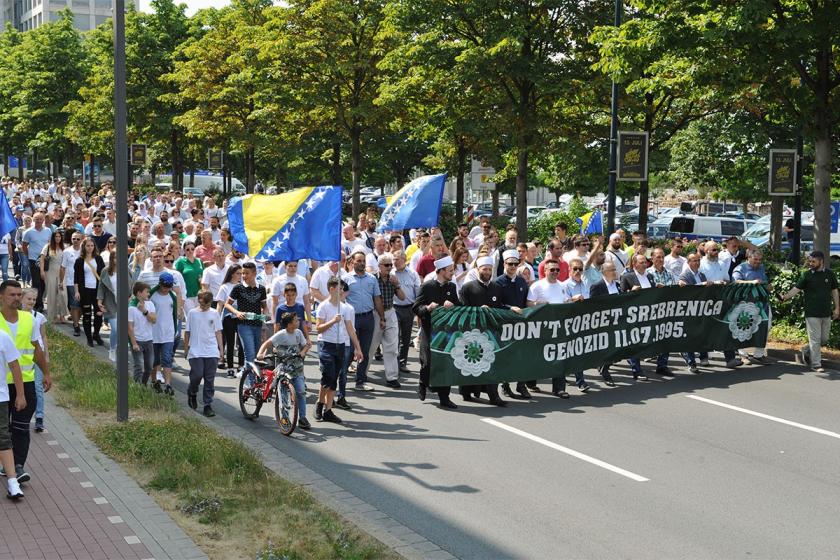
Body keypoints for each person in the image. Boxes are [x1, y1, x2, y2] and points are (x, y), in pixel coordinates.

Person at [0, 280, 51, 486]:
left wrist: (46, 372)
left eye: (19, 295)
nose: (17, 298)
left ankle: (17, 466)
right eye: (12, 295)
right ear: (1, 297)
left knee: (20, 427)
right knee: (4, 429)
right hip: (2, 386)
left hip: (26, 382)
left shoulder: (29, 319)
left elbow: (36, 348)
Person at [458, 256, 511, 406]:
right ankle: (466, 392)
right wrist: (478, 310)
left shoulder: (496, 287)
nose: (487, 272)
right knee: (470, 362)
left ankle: (494, 396)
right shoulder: (468, 287)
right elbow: (462, 309)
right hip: (472, 332)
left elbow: (500, 306)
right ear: (478, 270)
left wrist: (510, 309)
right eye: (484, 269)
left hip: (491, 332)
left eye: (489, 269)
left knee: (491, 362)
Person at [315, 277, 364, 424]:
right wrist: (332, 321)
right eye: (339, 288)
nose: (342, 291)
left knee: (334, 377)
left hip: (340, 345)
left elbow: (350, 328)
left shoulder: (344, 308)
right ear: (331, 289)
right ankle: (320, 403)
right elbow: (318, 328)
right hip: (326, 344)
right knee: (328, 376)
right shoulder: (323, 306)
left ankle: (328, 410)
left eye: (342, 289)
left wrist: (358, 347)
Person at [413, 256, 459, 409]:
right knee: (427, 362)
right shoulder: (427, 286)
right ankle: (423, 383)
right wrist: (427, 308)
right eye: (450, 270)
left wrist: (453, 305)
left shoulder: (452, 287)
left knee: (445, 363)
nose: (453, 273)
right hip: (429, 330)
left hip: (447, 333)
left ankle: (444, 397)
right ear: (441, 271)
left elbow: (460, 307)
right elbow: (416, 308)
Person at [782, 251, 840, 373]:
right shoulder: (806, 275)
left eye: (814, 261)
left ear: (821, 261)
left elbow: (834, 292)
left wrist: (837, 308)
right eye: (810, 261)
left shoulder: (830, 274)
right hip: (811, 313)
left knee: (823, 339)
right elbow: (796, 289)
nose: (811, 263)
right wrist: (785, 297)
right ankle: (816, 364)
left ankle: (806, 350)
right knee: (815, 340)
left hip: (826, 312)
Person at [257, 311, 312, 430]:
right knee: (284, 394)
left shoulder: (298, 333)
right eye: (296, 321)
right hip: (283, 368)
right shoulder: (281, 334)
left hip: (297, 368)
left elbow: (306, 345)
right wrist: (260, 353)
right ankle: (285, 418)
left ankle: (302, 418)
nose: (298, 322)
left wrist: (303, 351)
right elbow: (267, 343)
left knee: (301, 391)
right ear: (289, 324)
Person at [527, 258, 571, 397]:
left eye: (557, 270)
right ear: (545, 271)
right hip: (541, 327)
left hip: (559, 327)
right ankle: (530, 381)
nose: (555, 272)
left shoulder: (563, 286)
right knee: (537, 356)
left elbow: (567, 302)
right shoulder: (537, 286)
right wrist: (538, 304)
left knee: (559, 356)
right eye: (552, 269)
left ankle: (559, 388)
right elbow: (528, 303)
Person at [495, 249, 532, 399]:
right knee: (507, 356)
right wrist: (510, 308)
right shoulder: (497, 282)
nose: (512, 266)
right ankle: (505, 385)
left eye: (515, 264)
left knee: (522, 356)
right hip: (504, 324)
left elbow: (525, 302)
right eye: (510, 264)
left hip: (521, 324)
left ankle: (521, 385)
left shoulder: (522, 281)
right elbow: (496, 304)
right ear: (504, 264)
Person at [345, 250, 384, 392]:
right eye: (359, 261)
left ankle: (360, 381)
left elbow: (377, 299)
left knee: (365, 351)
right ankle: (341, 378)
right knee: (349, 351)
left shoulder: (372, 279)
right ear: (352, 262)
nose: (361, 263)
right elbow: (342, 300)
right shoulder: (346, 279)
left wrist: (382, 317)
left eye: (363, 261)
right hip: (352, 319)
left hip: (368, 317)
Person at [619, 254, 659, 380]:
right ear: (634, 264)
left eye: (645, 262)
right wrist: (631, 292)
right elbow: (621, 297)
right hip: (634, 316)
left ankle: (660, 366)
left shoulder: (650, 276)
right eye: (641, 262)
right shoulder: (627, 277)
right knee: (635, 342)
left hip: (649, 314)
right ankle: (637, 370)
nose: (644, 264)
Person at [184, 290, 223, 418]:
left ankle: (207, 405)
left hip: (211, 350)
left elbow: (218, 332)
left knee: (209, 378)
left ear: (210, 302)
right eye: (201, 303)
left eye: (206, 305)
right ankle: (192, 391)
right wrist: (186, 348)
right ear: (198, 300)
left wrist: (221, 350)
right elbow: (187, 332)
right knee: (197, 374)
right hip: (196, 350)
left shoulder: (214, 313)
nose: (204, 306)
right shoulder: (192, 313)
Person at [225, 262, 267, 365]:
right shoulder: (238, 288)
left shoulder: (261, 289)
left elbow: (264, 307)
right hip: (243, 325)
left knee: (257, 355)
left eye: (247, 273)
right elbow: (227, 304)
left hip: (257, 325)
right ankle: (249, 380)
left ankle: (254, 378)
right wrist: (237, 312)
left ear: (254, 273)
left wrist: (264, 320)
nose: (244, 276)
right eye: (243, 273)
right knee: (250, 354)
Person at [732, 249, 770, 364]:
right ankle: (743, 355)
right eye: (755, 259)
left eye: (760, 260)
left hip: (762, 303)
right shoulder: (740, 268)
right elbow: (736, 282)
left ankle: (758, 355)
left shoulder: (761, 268)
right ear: (748, 258)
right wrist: (751, 282)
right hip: (745, 304)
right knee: (744, 328)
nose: (758, 262)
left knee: (766, 326)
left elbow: (765, 282)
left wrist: (768, 286)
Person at [0, 324, 23, 500]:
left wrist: (20, 394)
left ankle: (13, 482)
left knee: (3, 437)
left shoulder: (3, 336)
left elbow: (15, 366)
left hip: (0, 396)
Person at [20, 289, 47, 433]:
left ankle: (40, 417)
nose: (31, 302)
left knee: (37, 387)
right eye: (29, 299)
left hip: (37, 356)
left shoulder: (39, 317)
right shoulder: (15, 317)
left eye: (34, 299)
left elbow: (43, 337)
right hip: (21, 358)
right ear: (22, 299)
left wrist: (46, 356)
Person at [73, 237, 105, 347]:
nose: (90, 248)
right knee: (86, 314)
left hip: (97, 290)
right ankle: (89, 338)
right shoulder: (79, 261)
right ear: (84, 247)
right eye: (88, 246)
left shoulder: (99, 259)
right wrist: (77, 292)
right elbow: (76, 278)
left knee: (99, 314)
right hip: (84, 290)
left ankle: (96, 334)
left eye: (92, 245)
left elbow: (103, 275)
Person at [392, 250, 420, 374]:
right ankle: (394, 362)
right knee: (395, 337)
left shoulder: (412, 273)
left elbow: (418, 290)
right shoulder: (391, 273)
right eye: (393, 259)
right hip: (394, 308)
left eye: (397, 259)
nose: (394, 262)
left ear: (404, 260)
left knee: (406, 337)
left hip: (409, 308)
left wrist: (417, 307)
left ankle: (403, 362)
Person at [150, 272, 178, 395]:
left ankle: (168, 384)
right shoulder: (152, 295)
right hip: (154, 333)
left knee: (167, 359)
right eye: (165, 286)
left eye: (169, 286)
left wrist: (175, 330)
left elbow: (174, 314)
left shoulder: (172, 296)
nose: (166, 288)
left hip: (168, 333)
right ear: (160, 284)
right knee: (155, 360)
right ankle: (154, 380)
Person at [216, 264, 244, 377]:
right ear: (232, 274)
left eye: (241, 273)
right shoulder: (225, 287)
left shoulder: (242, 286)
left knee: (242, 343)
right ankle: (230, 367)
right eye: (238, 273)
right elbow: (220, 304)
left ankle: (241, 366)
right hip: (228, 317)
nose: (240, 276)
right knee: (230, 342)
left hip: (240, 316)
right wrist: (217, 318)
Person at [21, 211, 52, 312]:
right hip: (34, 259)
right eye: (36, 219)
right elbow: (24, 246)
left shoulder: (48, 231)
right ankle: (39, 305)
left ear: (43, 220)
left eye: (40, 219)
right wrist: (29, 255)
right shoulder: (28, 232)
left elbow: (49, 244)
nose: (38, 221)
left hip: (46, 259)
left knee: (43, 282)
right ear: (33, 220)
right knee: (36, 282)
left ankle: (39, 299)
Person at [128, 281, 156, 385]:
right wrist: (134, 343)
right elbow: (129, 328)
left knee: (149, 366)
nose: (149, 294)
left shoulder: (150, 304)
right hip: (138, 341)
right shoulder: (131, 308)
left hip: (148, 340)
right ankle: (137, 386)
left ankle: (143, 385)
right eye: (147, 292)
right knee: (139, 365)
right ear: (139, 293)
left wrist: (144, 311)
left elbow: (154, 320)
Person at [96, 251, 120, 362]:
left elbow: (132, 285)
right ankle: (112, 349)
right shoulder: (105, 271)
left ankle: (120, 352)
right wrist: (99, 301)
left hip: (124, 303)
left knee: (123, 330)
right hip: (110, 302)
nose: (116, 259)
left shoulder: (126, 270)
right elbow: (101, 287)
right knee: (115, 328)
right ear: (111, 259)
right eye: (114, 257)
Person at [40, 229, 66, 324]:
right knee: (51, 294)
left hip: (62, 272)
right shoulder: (48, 246)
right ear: (53, 237)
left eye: (59, 236)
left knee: (62, 294)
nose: (57, 238)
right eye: (56, 236)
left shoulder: (64, 247)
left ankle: (62, 315)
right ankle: (52, 316)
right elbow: (42, 259)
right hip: (50, 271)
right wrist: (42, 271)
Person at [175, 240, 204, 315]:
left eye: (192, 249)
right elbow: (176, 277)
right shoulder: (180, 262)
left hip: (199, 294)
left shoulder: (199, 261)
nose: (190, 251)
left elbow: (204, 276)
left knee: (200, 316)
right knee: (191, 316)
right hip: (187, 295)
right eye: (187, 249)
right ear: (184, 250)